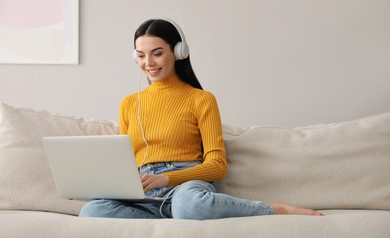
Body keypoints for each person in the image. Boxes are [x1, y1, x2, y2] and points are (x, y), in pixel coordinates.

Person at [79, 18, 323, 219]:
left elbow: (217, 166)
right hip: (145, 191)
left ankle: (274, 209)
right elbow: (123, 161)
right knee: (92, 211)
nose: (148, 63)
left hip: (187, 185)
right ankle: (173, 215)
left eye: (157, 54)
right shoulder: (130, 103)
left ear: (178, 52)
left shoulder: (201, 99)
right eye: (141, 56)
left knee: (189, 204)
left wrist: (166, 178)